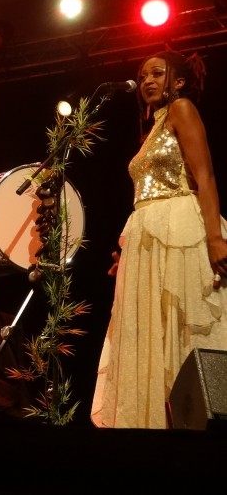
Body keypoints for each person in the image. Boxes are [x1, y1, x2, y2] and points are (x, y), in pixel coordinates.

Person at [91, 49, 227, 429]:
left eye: (157, 73)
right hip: (149, 234)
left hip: (180, 228)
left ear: (178, 81)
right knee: (151, 331)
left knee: (182, 325)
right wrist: (129, 250)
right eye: (143, 74)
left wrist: (215, 237)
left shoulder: (183, 108)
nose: (147, 80)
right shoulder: (155, 126)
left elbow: (206, 176)